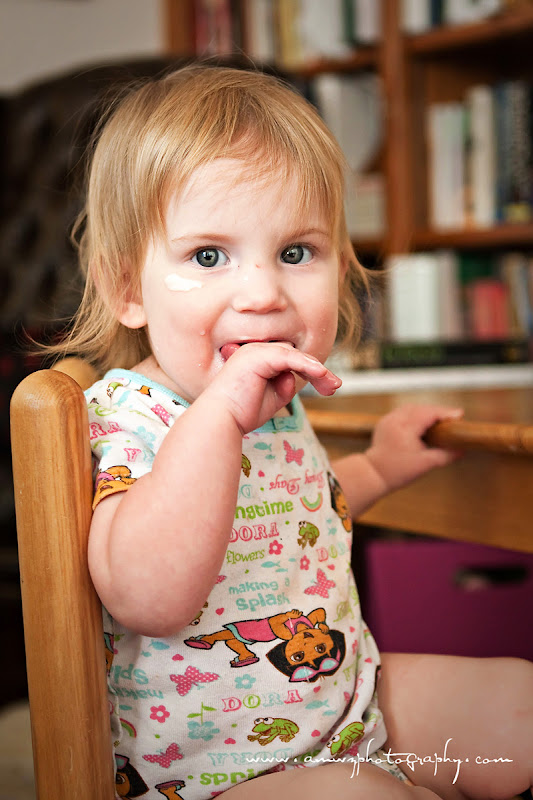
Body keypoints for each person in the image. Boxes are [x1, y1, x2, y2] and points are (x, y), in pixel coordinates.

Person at [58, 64, 532, 799]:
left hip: (347, 706)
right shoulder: (127, 416)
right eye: (208, 256)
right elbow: (149, 599)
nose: (262, 293)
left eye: (295, 253)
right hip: (210, 771)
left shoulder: (277, 406)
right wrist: (218, 419)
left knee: (518, 704)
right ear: (126, 288)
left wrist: (381, 466)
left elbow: (297, 513)